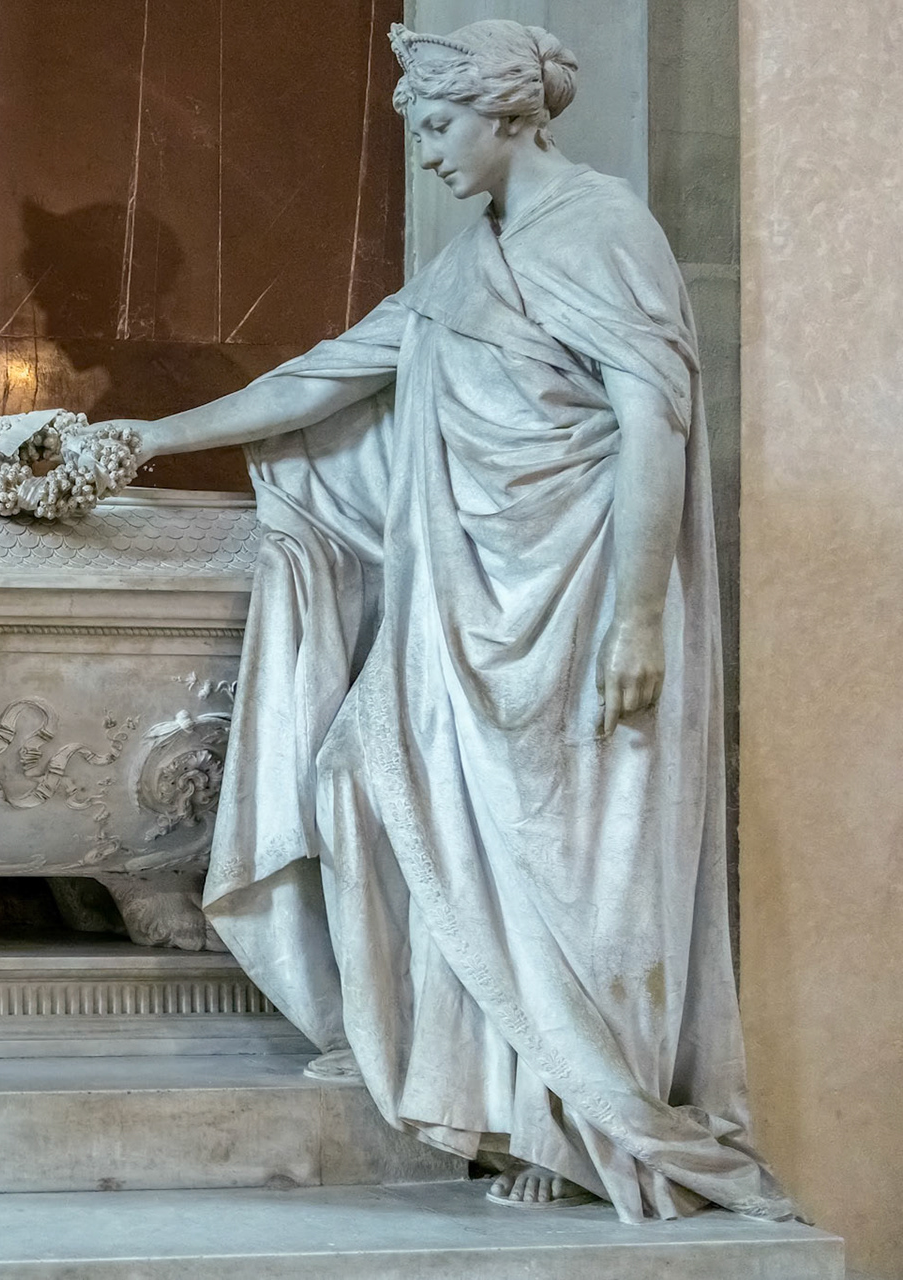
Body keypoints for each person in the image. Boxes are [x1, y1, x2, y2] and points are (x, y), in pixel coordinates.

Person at [99, 20, 792, 1223]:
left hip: (576, 602)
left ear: (507, 115)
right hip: (466, 603)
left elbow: (656, 429)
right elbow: (327, 375)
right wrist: (148, 438)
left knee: (577, 865)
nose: (424, 152)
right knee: (360, 783)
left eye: (435, 125)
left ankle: (580, 1119)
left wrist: (639, 615)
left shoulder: (605, 230)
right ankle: (454, 1066)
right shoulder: (474, 256)